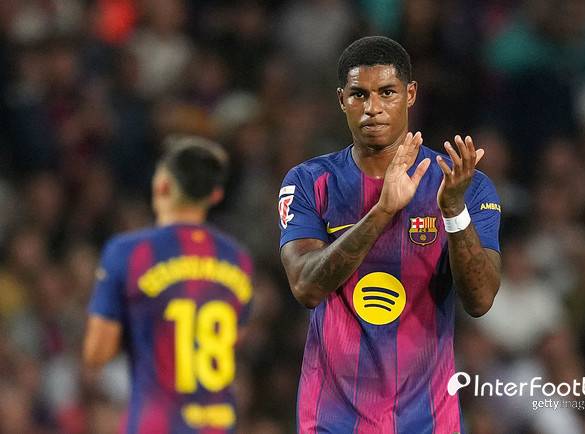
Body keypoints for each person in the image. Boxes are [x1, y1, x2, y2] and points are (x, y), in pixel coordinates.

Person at [279, 36, 501, 433]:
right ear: (341, 100)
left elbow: (481, 300)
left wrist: (453, 211)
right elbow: (306, 286)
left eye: (387, 92)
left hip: (428, 419)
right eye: (358, 95)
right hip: (332, 419)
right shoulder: (309, 182)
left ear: (410, 94)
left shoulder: (463, 185)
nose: (373, 108)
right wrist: (382, 211)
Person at [83, 136, 253, 434]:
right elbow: (234, 338)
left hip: (156, 423)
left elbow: (97, 352)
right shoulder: (238, 259)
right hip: (218, 423)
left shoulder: (128, 253)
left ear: (161, 186)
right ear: (215, 195)